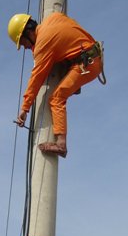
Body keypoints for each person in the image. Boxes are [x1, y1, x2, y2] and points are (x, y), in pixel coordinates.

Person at [9, 12, 104, 158]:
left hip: (87, 64)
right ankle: (70, 75)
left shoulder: (43, 43)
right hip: (91, 55)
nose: (26, 48)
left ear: (28, 33)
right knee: (59, 62)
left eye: (23, 43)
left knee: (56, 99)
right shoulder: (52, 18)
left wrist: (24, 108)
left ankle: (61, 144)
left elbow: (36, 78)